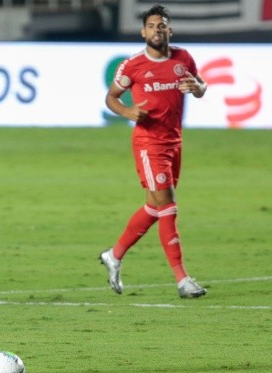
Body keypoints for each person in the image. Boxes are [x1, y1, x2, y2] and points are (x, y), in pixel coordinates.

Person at [99, 5, 207, 299]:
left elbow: (201, 87)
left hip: (175, 142)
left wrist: (197, 86)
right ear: (143, 32)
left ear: (169, 30)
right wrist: (128, 111)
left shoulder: (183, 58)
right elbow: (111, 97)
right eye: (152, 26)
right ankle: (182, 280)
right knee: (169, 207)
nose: (157, 30)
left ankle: (114, 254)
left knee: (153, 207)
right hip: (149, 145)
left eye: (162, 25)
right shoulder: (132, 65)